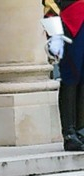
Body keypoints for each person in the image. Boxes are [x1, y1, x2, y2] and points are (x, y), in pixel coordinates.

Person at [43, 1, 84, 151]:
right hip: (70, 20)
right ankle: (70, 133)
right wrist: (54, 33)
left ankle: (81, 130)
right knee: (71, 76)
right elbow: (50, 3)